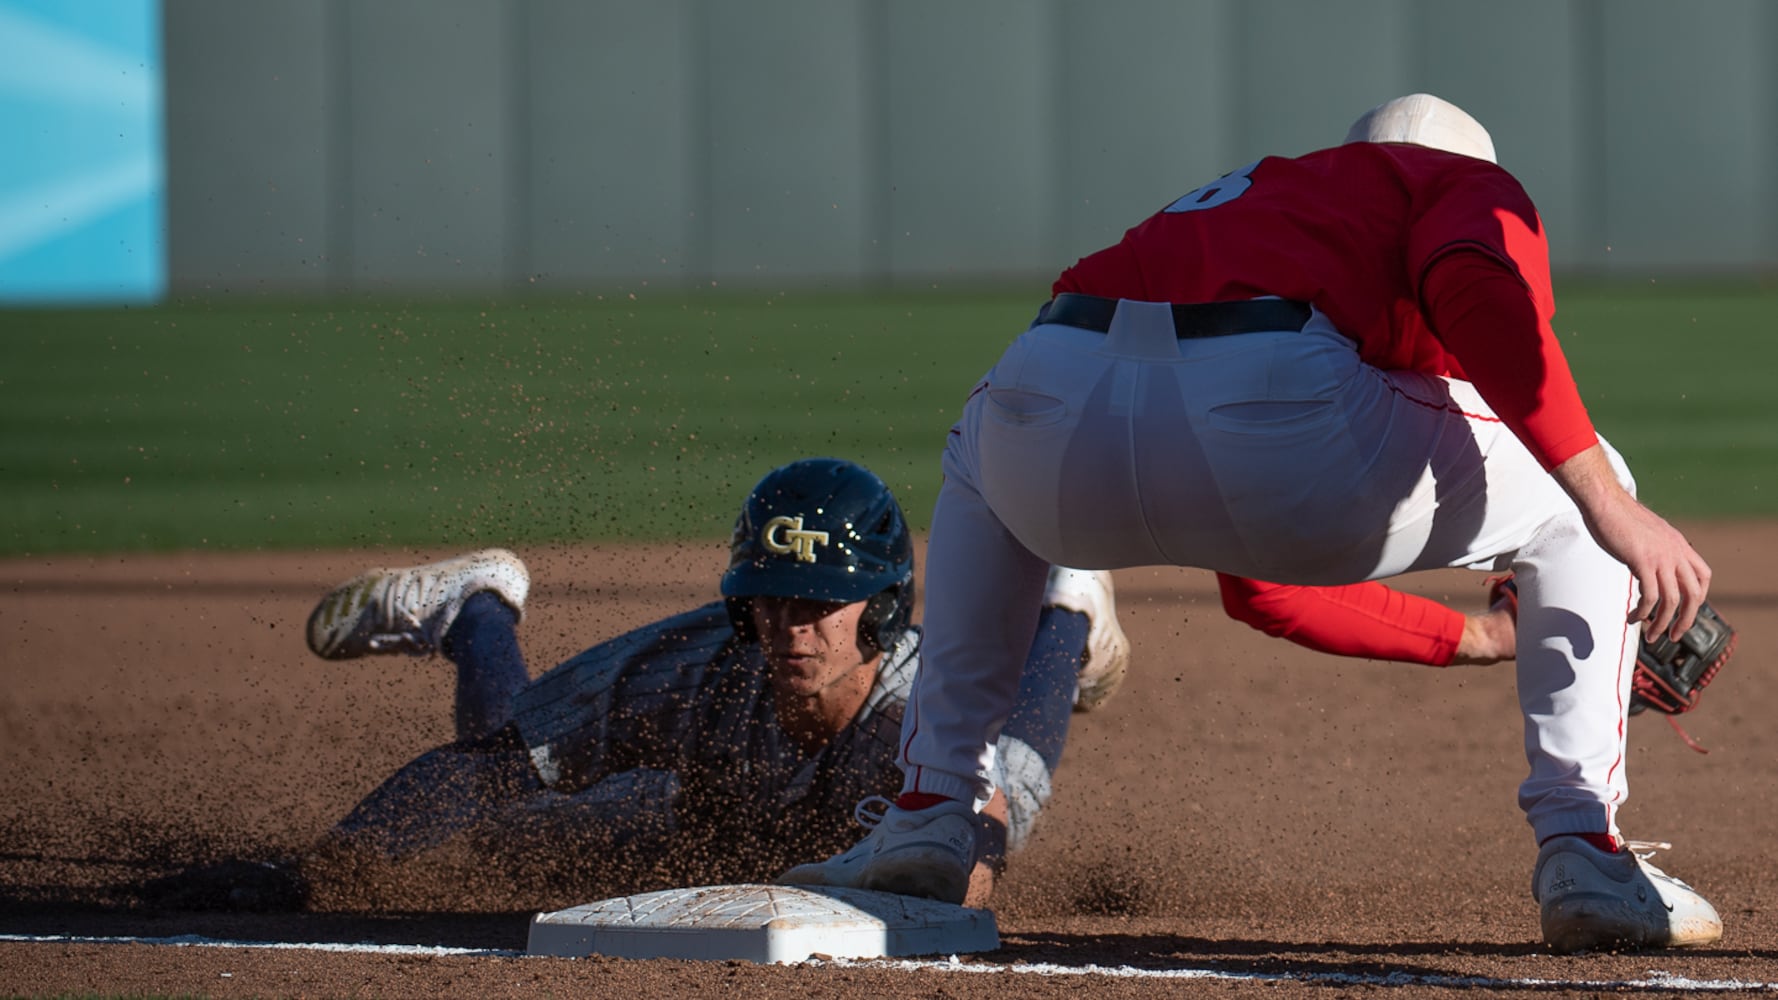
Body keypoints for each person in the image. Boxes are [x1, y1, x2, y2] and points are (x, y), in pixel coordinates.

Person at [780, 95, 1723, 953]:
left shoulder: (1266, 197)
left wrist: (1479, 636)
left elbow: (1261, 575)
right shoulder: (1458, 181)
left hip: (1051, 387)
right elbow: (1481, 295)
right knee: (1585, 492)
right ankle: (1586, 854)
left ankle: (929, 814)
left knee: (978, 463)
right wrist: (1610, 507)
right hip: (1277, 402)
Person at [146, 457, 1128, 912]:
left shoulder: (932, 715)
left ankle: (1070, 602)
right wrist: (317, 870)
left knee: (998, 803)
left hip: (903, 783)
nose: (788, 626)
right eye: (768, 600)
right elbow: (499, 764)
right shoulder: (696, 661)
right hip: (702, 822)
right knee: (505, 843)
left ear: (876, 610)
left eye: (818, 603)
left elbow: (971, 875)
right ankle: (479, 609)